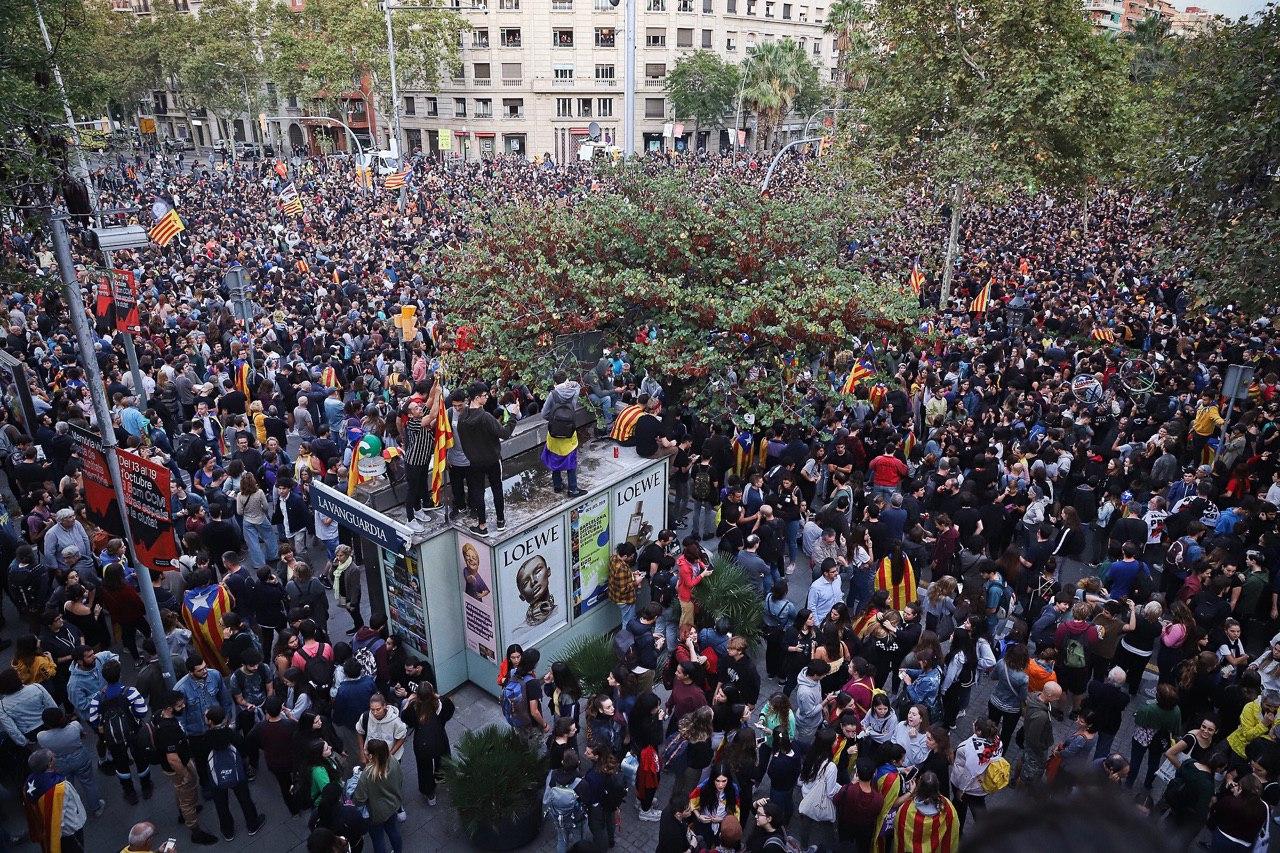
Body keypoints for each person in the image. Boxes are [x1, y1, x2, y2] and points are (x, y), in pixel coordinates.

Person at [86, 658, 153, 804]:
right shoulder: (131, 692)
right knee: (141, 760)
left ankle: (129, 792)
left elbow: (93, 720)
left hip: (113, 738)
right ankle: (146, 787)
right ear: (120, 675)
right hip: (134, 733)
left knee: (121, 765)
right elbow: (142, 712)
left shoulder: (98, 698)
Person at [457, 382, 516, 535]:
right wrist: (513, 416)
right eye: (484, 396)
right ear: (477, 398)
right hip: (492, 459)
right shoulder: (486, 417)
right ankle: (500, 520)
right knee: (497, 488)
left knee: (478, 492)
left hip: (474, 461)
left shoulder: (462, 418)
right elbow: (504, 433)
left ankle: (482, 525)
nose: (487, 397)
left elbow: (464, 441)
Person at [35, 707, 104, 819]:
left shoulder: (41, 736)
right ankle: (96, 808)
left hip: (59, 763)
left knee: (68, 789)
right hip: (80, 758)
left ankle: (74, 812)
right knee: (88, 782)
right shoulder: (74, 726)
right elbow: (83, 734)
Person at [23, 748, 87, 853]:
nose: (55, 758)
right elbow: (70, 806)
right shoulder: (60, 787)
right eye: (53, 757)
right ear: (49, 764)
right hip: (69, 830)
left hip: (50, 827)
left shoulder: (29, 782)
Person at [403, 681, 454, 805]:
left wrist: (408, 701)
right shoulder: (442, 703)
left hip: (421, 743)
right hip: (439, 739)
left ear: (417, 695)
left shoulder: (413, 708)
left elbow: (405, 718)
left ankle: (430, 794)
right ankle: (441, 776)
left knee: (424, 768)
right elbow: (450, 712)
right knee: (442, 758)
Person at [354, 739, 405, 853]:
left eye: (366, 751)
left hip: (376, 813)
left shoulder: (367, 775)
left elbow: (359, 799)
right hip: (393, 805)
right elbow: (401, 779)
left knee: (378, 839)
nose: (364, 752)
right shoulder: (393, 761)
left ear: (371, 756)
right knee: (394, 831)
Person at [541, 370, 587, 497]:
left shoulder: (553, 394)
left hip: (554, 434)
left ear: (555, 382)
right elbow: (577, 387)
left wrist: (554, 420)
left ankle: (557, 485)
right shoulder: (574, 390)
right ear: (566, 379)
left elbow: (544, 414)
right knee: (571, 460)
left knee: (554, 459)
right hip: (569, 433)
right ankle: (573, 488)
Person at [891, 771, 960, 853]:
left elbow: (898, 827)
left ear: (919, 786)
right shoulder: (948, 808)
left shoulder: (906, 809)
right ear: (937, 786)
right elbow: (954, 830)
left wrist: (910, 792)